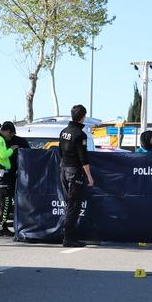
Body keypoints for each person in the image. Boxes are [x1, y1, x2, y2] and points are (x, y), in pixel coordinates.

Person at [59, 105, 95, 248]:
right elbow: (83, 158)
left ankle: (68, 235)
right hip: (74, 172)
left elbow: (60, 151)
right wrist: (90, 177)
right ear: (83, 117)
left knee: (69, 204)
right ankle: (69, 238)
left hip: (63, 169)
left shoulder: (63, 131)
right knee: (74, 205)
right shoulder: (80, 134)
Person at [3, 121, 30, 232]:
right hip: (5, 176)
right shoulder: (0, 141)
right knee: (5, 203)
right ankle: (1, 226)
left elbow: (30, 157)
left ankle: (19, 225)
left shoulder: (21, 141)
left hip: (19, 176)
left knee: (19, 202)